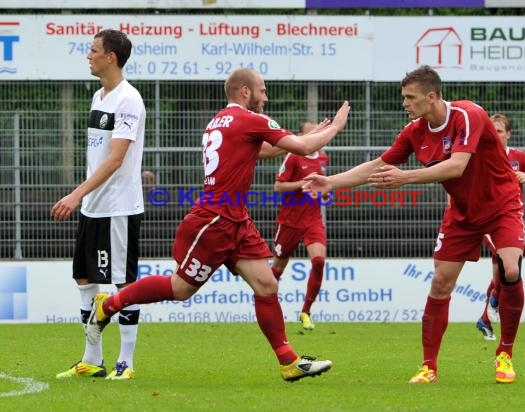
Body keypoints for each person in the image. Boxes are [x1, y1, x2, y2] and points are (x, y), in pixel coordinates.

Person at [85, 68, 351, 382]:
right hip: (215, 221)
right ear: (244, 91)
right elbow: (304, 149)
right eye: (262, 91)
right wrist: (335, 126)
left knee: (267, 285)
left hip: (236, 220)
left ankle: (289, 362)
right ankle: (108, 304)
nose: (265, 98)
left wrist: (304, 137)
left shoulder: (220, 121)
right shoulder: (252, 120)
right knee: (180, 289)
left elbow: (263, 150)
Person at [303, 65, 525, 384]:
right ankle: (428, 367)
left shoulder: (468, 115)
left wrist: (406, 177)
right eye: (404, 97)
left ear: (431, 96)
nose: (405, 103)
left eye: (410, 97)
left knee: (511, 271)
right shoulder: (414, 131)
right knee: (440, 283)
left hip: (501, 205)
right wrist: (331, 182)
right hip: (461, 213)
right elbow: (379, 165)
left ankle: (504, 353)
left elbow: (457, 166)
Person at [51, 29, 146, 381]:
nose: (88, 55)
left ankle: (126, 362)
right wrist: (84, 197)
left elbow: (117, 159)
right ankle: (92, 359)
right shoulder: (99, 95)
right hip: (93, 206)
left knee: (123, 284)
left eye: (93, 50)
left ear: (111, 57)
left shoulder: (128, 100)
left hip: (117, 207)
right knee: (84, 279)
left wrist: (75, 193)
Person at [476, 113, 525, 341]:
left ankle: (486, 318)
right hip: (487, 220)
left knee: (504, 271)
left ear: (508, 134)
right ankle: (493, 306)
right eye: (492, 131)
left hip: (512, 220)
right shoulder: (479, 156)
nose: (495, 135)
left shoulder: (520, 158)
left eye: (499, 131)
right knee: (506, 267)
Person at [271, 120, 329, 330]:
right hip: (290, 222)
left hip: (313, 220)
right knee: (277, 268)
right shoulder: (293, 156)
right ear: (301, 136)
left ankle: (306, 311)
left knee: (319, 261)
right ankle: (267, 306)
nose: (316, 138)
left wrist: (324, 190)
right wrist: (302, 184)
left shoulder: (322, 157)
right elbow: (278, 186)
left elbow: (322, 186)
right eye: (311, 133)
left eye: (318, 133)